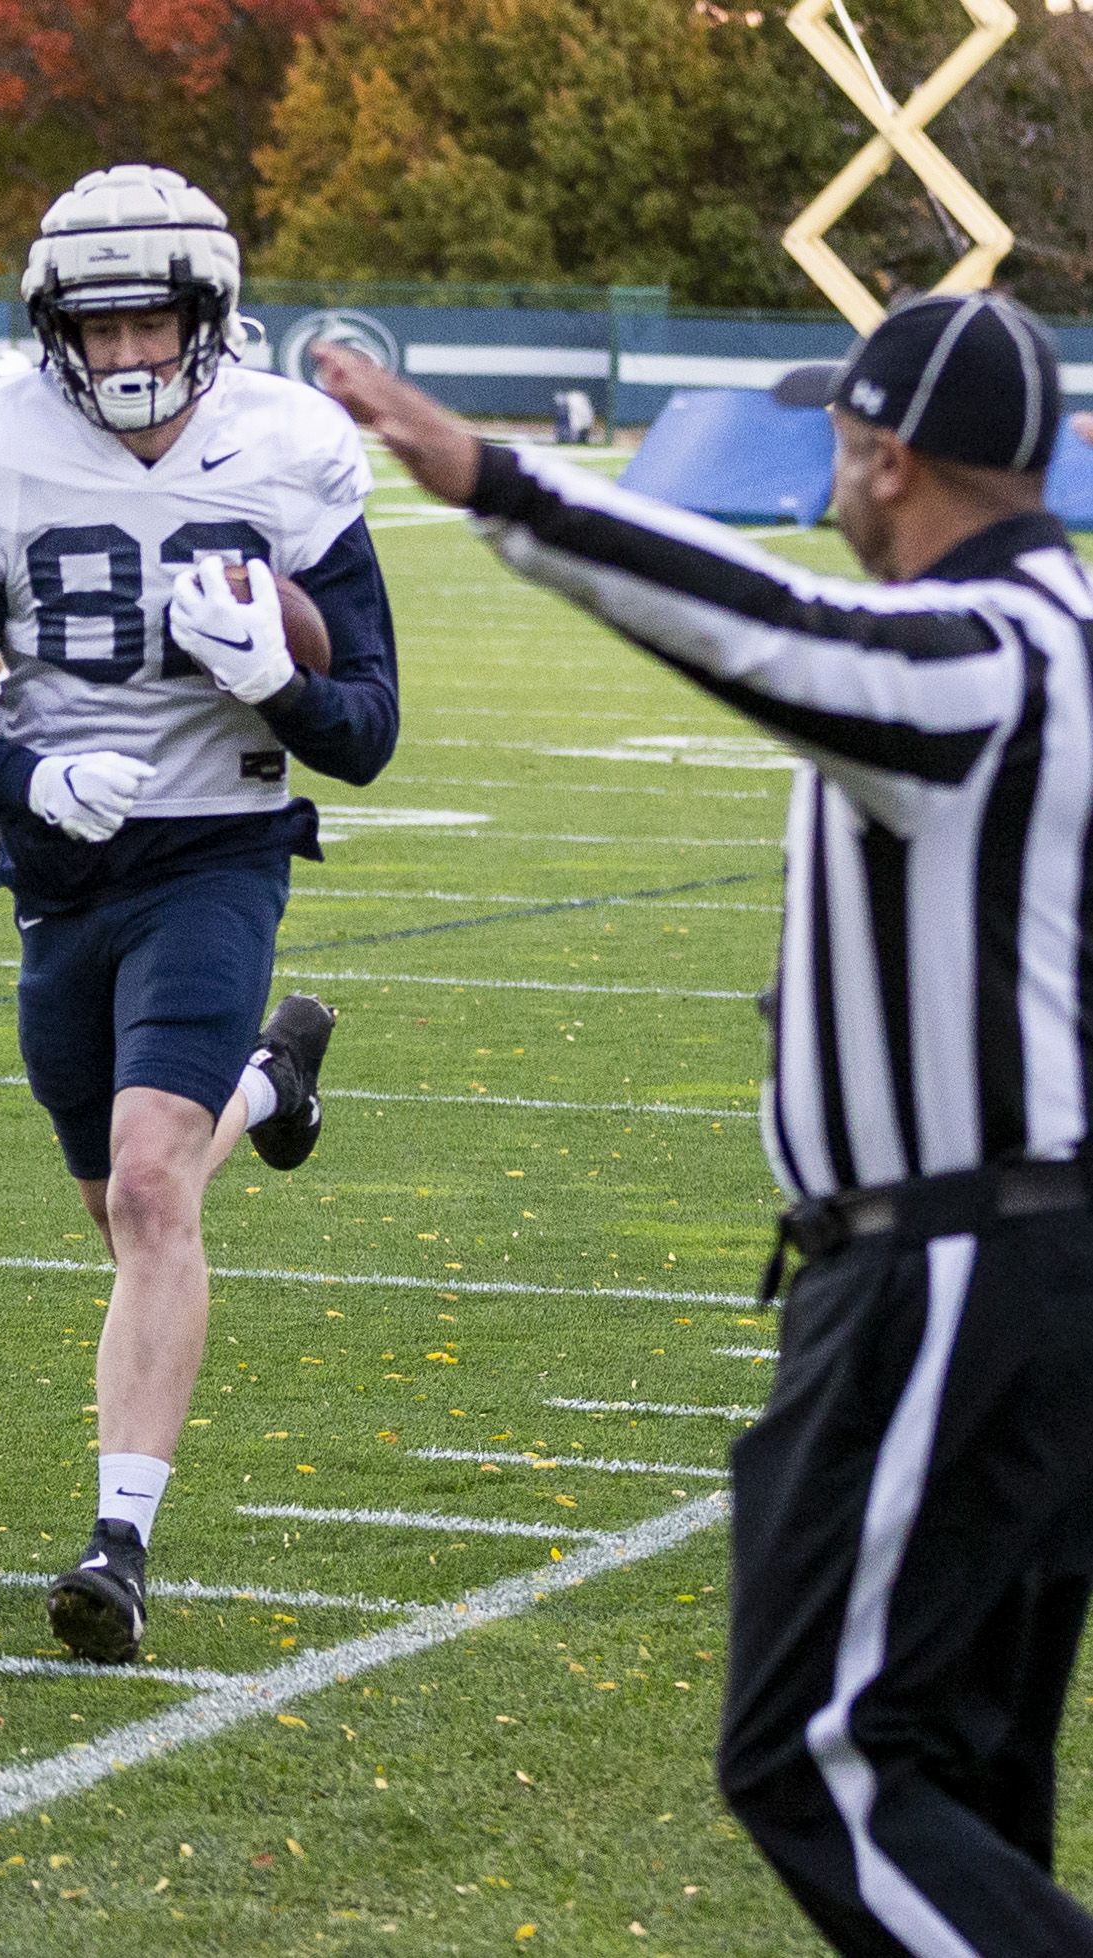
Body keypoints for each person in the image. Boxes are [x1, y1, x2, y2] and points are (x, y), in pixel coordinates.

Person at [326, 292, 1093, 1958]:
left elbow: (768, 629)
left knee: (811, 1752)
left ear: (886, 456)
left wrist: (497, 484)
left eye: (840, 439)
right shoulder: (1053, 630)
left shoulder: (987, 654)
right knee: (948, 1769)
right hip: (1000, 1266)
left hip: (960, 1263)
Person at [0, 164, 398, 1665]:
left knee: (149, 1187)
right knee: (122, 1203)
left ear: (208, 315)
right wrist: (30, 785)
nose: (122, 352)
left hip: (219, 849)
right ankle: (269, 1077)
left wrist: (273, 682)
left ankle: (118, 1540)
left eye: (149, 317)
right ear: (52, 327)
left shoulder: (288, 445)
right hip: (62, 868)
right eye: (93, 324)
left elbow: (362, 731)